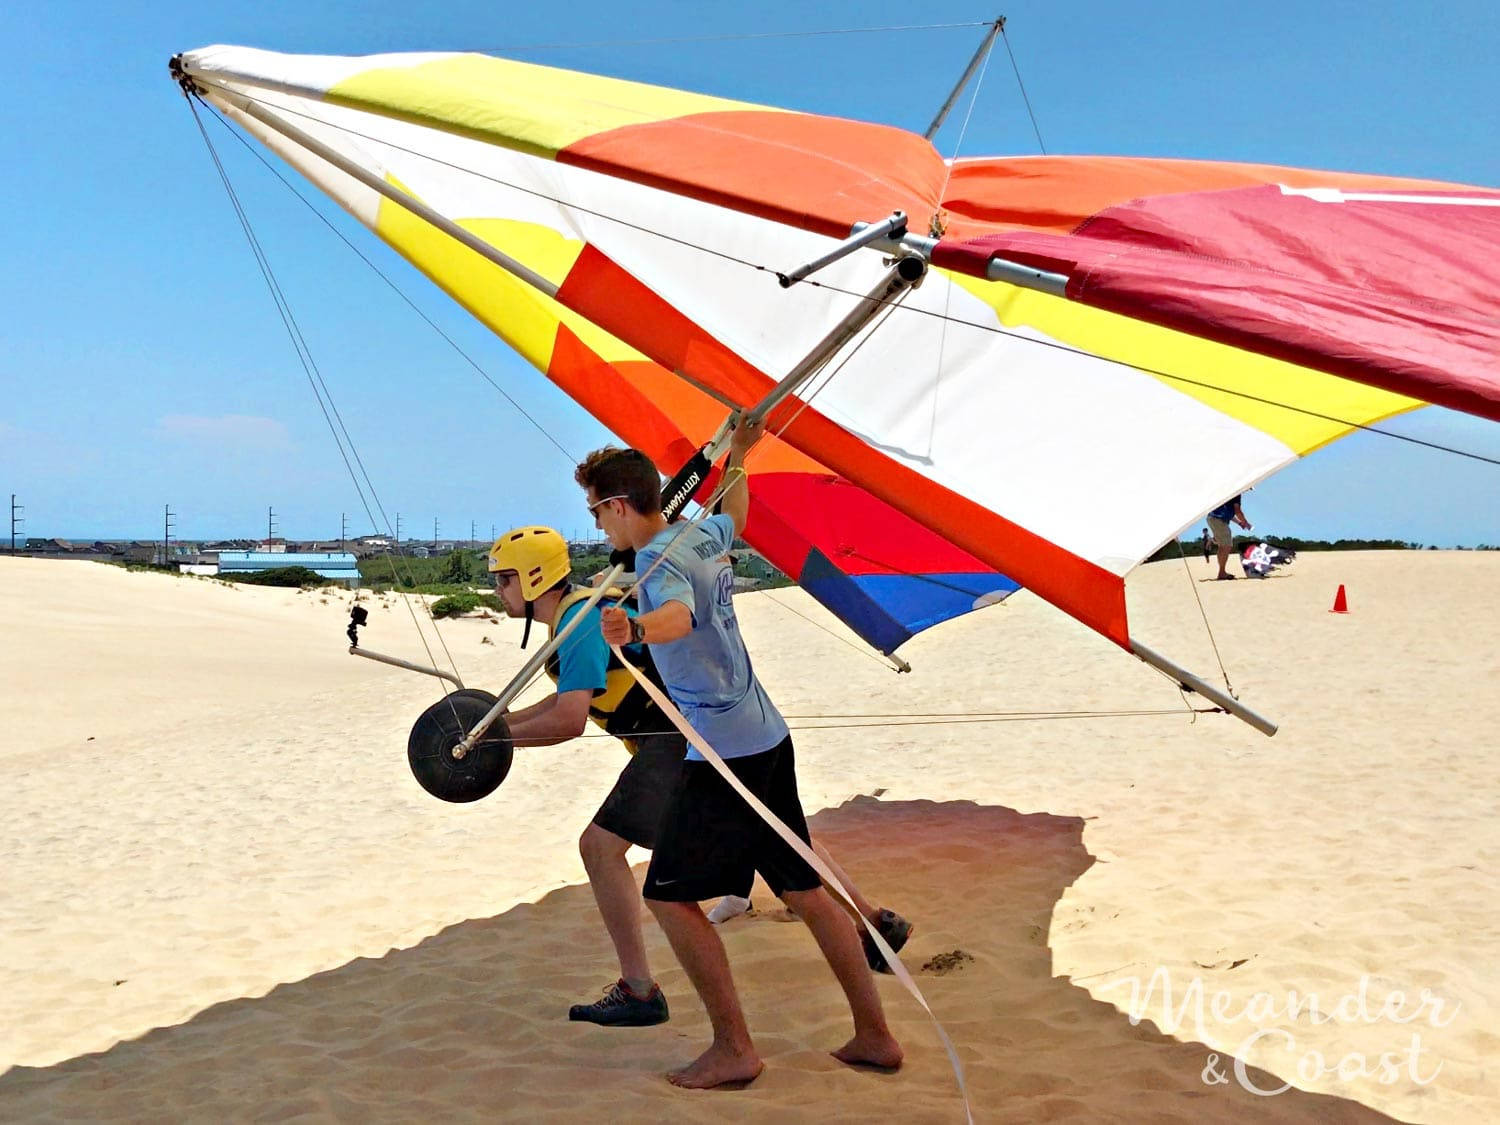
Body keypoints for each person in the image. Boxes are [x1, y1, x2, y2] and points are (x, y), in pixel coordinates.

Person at [582, 420, 904, 1089]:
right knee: (806, 889)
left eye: (596, 511)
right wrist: (743, 454)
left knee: (668, 896)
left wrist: (635, 623)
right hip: (767, 735)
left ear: (618, 505)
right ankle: (875, 1033)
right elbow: (734, 512)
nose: (597, 527)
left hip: (727, 757)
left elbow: (678, 618)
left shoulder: (656, 563)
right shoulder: (697, 533)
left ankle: (734, 1047)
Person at [486, 526, 912, 1031]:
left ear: (535, 577)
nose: (498, 591)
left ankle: (638, 990)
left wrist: (491, 745)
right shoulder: (577, 612)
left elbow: (568, 720)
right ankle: (875, 921)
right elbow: (565, 699)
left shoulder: (577, 622)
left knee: (600, 848)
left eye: (505, 580)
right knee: (777, 833)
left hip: (677, 743)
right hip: (708, 736)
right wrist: (496, 723)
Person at [1206, 494, 1252, 580]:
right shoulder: (1237, 494)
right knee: (1226, 545)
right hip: (1219, 519)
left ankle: (1221, 572)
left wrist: (1239, 523)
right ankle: (1222, 573)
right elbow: (1238, 511)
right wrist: (1246, 522)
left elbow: (1228, 513)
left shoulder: (1231, 491)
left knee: (1223, 546)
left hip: (1212, 518)